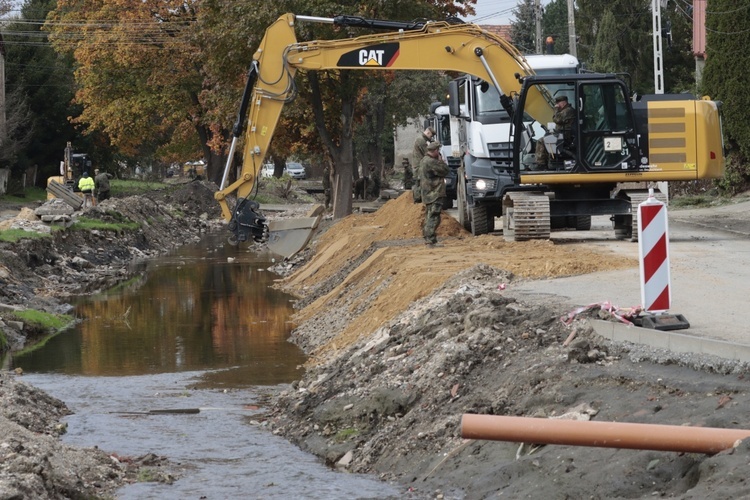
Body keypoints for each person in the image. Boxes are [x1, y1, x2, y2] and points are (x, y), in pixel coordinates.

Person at [419, 141, 450, 247]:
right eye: (438, 151)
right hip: (434, 192)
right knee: (434, 216)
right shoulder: (431, 162)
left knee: (429, 215)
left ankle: (429, 238)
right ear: (435, 151)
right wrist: (441, 161)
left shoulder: (424, 160)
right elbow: (445, 170)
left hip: (428, 193)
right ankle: (430, 240)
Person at [535, 95, 576, 169]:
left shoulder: (568, 110)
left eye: (558, 104)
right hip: (562, 134)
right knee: (546, 138)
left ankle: (541, 164)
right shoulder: (566, 110)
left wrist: (556, 109)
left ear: (563, 103)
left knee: (541, 141)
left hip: (565, 135)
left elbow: (556, 119)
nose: (557, 106)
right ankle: (546, 161)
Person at [412, 126, 435, 202]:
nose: (430, 138)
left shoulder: (421, 139)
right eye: (431, 136)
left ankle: (418, 200)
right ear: (428, 132)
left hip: (420, 164)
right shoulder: (421, 140)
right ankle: (417, 200)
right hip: (419, 165)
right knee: (419, 183)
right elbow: (427, 153)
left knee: (420, 183)